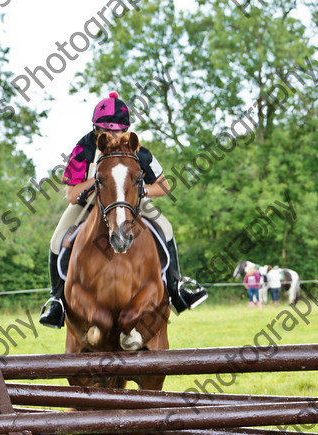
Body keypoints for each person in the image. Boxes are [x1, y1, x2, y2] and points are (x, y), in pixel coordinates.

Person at [39, 91, 207, 328]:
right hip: (89, 202)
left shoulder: (139, 151)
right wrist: (99, 181)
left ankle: (176, 286)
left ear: (126, 129)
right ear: (96, 128)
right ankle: (57, 300)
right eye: (106, 130)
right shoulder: (83, 149)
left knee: (166, 228)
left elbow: (164, 186)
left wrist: (137, 192)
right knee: (57, 240)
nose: (112, 135)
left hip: (128, 201)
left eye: (118, 130)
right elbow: (71, 195)